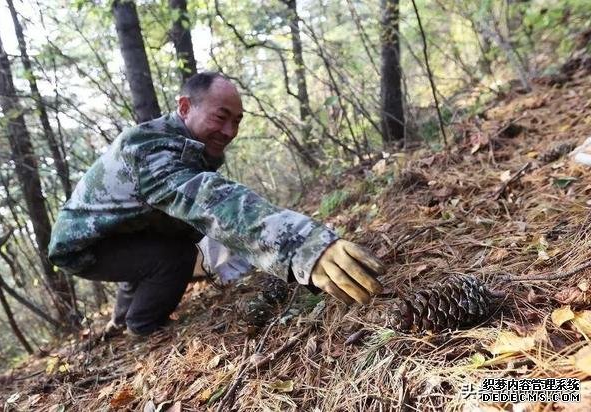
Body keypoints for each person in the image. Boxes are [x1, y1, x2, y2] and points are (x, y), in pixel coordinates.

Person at [48, 72, 385, 337]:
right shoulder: (148, 151)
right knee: (175, 255)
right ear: (184, 107)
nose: (229, 131)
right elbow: (211, 199)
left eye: (237, 121)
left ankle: (122, 318)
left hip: (119, 232)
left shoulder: (185, 144)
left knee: (175, 237)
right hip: (84, 246)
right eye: (220, 117)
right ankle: (142, 326)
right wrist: (307, 246)